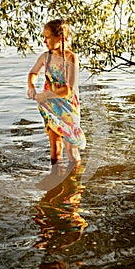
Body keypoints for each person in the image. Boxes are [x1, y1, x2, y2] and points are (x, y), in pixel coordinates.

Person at [27, 19, 86, 178]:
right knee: (54, 146)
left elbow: (68, 89)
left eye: (48, 37)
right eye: (43, 37)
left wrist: (45, 95)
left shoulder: (70, 58)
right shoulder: (45, 58)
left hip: (67, 107)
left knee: (70, 149)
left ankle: (73, 183)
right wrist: (31, 86)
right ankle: (56, 180)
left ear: (60, 36)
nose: (44, 41)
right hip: (50, 108)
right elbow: (33, 73)